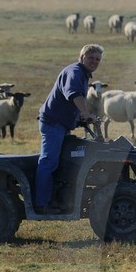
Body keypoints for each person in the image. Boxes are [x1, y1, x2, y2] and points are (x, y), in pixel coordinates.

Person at [34, 43, 102, 211]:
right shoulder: (75, 72)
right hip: (53, 123)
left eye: (97, 59)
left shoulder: (84, 74)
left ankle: (58, 198)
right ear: (82, 58)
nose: (94, 61)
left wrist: (79, 119)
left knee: (64, 161)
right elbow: (73, 93)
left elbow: (68, 101)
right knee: (49, 161)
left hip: (60, 124)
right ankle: (40, 204)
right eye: (91, 58)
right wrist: (85, 112)